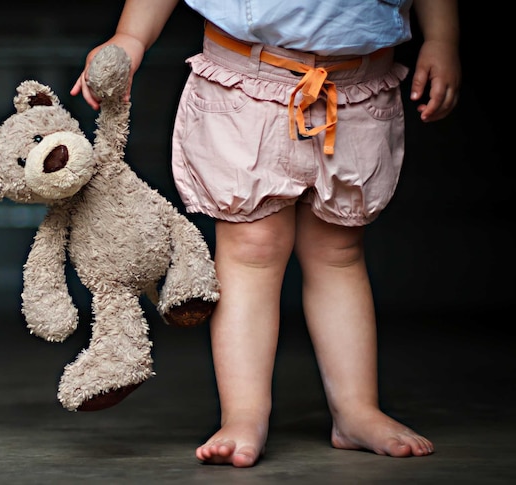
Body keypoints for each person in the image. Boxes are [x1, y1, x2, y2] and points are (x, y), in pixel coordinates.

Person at [71, 0, 461, 467]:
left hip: (358, 91)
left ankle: (357, 410)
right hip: (245, 86)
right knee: (250, 250)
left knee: (338, 251)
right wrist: (130, 36)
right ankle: (244, 413)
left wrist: (442, 39)